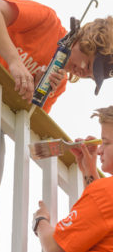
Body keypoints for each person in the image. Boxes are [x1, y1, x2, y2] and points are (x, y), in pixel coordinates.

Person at [0, 0, 113, 252]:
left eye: (90, 73)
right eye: (89, 60)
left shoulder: (58, 83)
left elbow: (24, 121)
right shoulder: (47, 22)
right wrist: (14, 61)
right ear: (85, 39)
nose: (84, 69)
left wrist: (35, 93)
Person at [33, 105, 113, 251]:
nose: (100, 150)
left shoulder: (106, 192)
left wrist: (40, 221)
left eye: (106, 143)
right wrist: (89, 170)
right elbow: (101, 216)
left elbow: (54, 247)